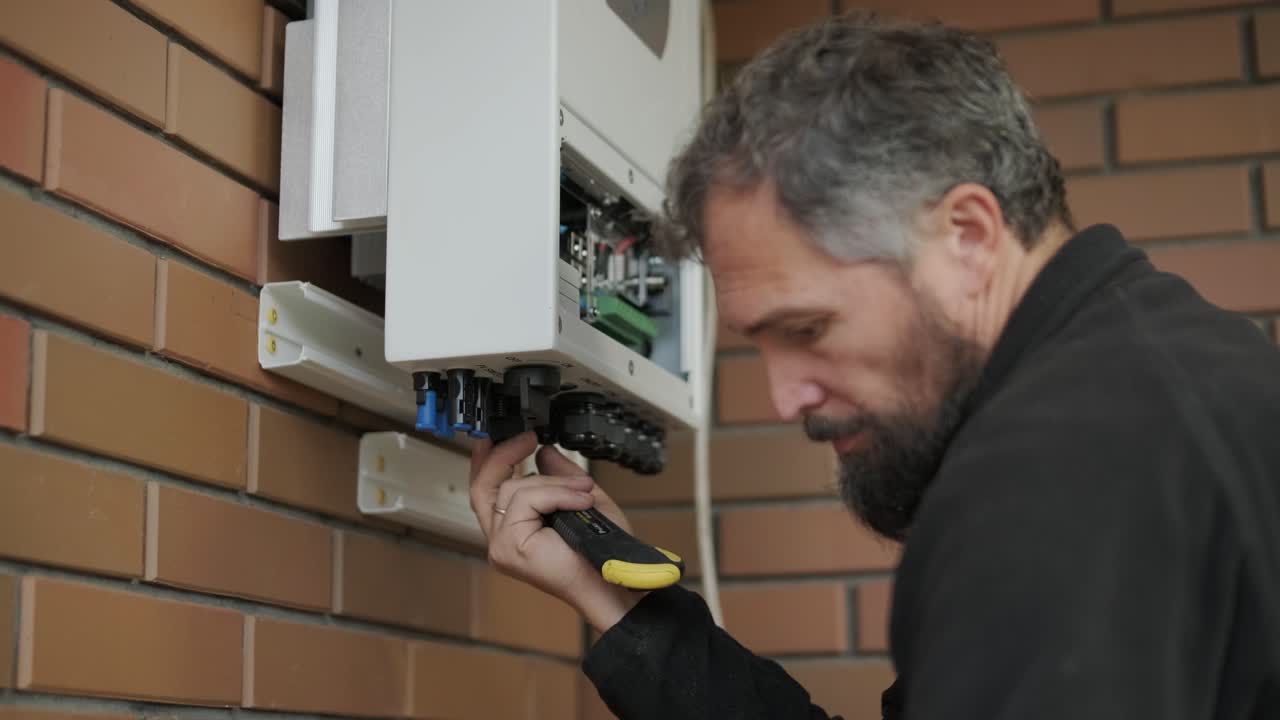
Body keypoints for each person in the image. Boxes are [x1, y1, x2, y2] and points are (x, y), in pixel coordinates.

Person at [469, 11, 1280, 719]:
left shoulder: (1063, 476)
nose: (787, 398)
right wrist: (623, 609)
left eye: (810, 327)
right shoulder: (1158, 380)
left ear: (966, 238)